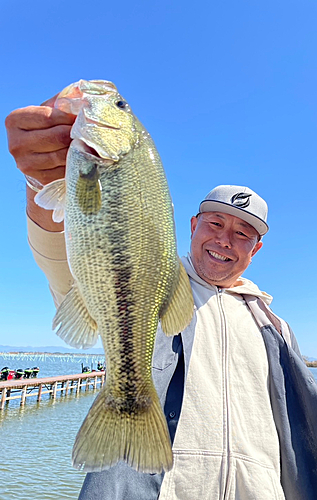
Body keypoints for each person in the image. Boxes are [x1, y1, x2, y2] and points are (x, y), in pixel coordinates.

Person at [5, 98, 317, 500]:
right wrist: (38, 180)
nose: (225, 239)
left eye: (243, 233)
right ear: (192, 225)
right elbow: (61, 260)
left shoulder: (275, 327)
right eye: (216, 223)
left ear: (255, 250)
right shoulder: (148, 276)